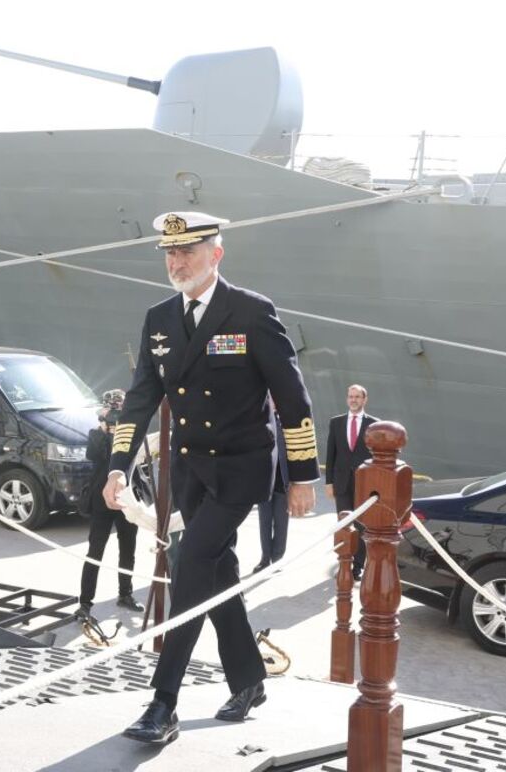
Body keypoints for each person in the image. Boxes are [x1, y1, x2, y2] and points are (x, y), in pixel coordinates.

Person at [102, 211, 319, 745]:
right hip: (192, 467)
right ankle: (249, 680)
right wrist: (118, 465)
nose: (177, 262)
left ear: (215, 255)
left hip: (243, 466)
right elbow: (141, 399)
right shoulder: (158, 318)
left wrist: (303, 477)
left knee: (191, 563)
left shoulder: (250, 311)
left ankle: (163, 702)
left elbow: (292, 399)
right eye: (171, 254)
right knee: (217, 570)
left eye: (189, 253)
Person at [77, 389, 143, 620]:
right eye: (111, 411)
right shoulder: (96, 434)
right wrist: (104, 431)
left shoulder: (133, 432)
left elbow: (137, 458)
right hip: (100, 498)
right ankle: (84, 603)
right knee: (95, 549)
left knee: (128, 548)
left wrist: (126, 429)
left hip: (126, 497)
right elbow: (94, 456)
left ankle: (125, 594)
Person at [325, 384, 376, 580]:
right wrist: (329, 482)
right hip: (341, 482)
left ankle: (358, 565)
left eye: (357, 397)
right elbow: (331, 454)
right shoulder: (336, 422)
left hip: (364, 484)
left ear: (364, 400)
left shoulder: (373, 424)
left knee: (362, 525)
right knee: (344, 524)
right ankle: (344, 562)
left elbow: (375, 458)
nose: (353, 400)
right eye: (350, 396)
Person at [253, 407, 290, 574]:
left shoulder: (289, 420)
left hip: (283, 482)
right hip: (263, 480)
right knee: (264, 521)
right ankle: (265, 558)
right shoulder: (259, 418)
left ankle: (277, 560)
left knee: (281, 523)